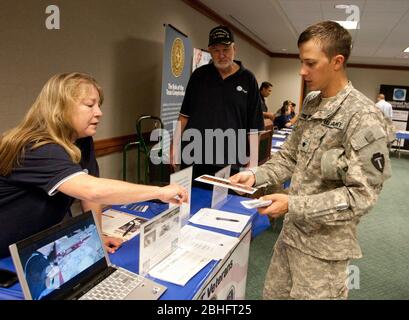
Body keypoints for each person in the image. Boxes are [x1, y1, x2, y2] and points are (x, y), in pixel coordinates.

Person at [230, 21, 394, 299]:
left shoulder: (364, 116)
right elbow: (290, 156)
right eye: (301, 61)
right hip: (291, 236)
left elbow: (361, 196)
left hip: (324, 251)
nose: (302, 71)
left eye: (310, 63)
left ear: (337, 61)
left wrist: (292, 203)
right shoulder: (311, 104)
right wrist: (257, 175)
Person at [0, 72, 188, 258]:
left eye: (98, 105)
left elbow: (89, 195)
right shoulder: (39, 147)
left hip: (35, 245)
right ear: (60, 108)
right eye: (90, 105)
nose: (99, 112)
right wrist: (158, 192)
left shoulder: (82, 140)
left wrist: (96, 235)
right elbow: (92, 190)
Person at [171, 25, 264, 180]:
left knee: (226, 202)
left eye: (226, 49)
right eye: (216, 50)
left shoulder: (248, 79)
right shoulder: (198, 76)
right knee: (191, 200)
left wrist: (253, 162)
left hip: (231, 159)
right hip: (195, 155)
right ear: (210, 51)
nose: (221, 55)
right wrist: (174, 145)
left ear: (235, 49)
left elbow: (254, 126)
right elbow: (184, 115)